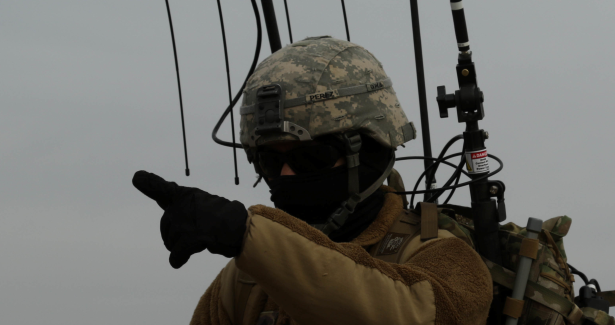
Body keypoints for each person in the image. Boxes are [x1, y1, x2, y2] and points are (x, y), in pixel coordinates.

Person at [133, 36, 493, 325]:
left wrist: (249, 236)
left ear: (370, 150)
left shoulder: (440, 256)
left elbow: (409, 312)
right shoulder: (245, 281)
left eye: (311, 158)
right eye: (270, 161)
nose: (287, 176)